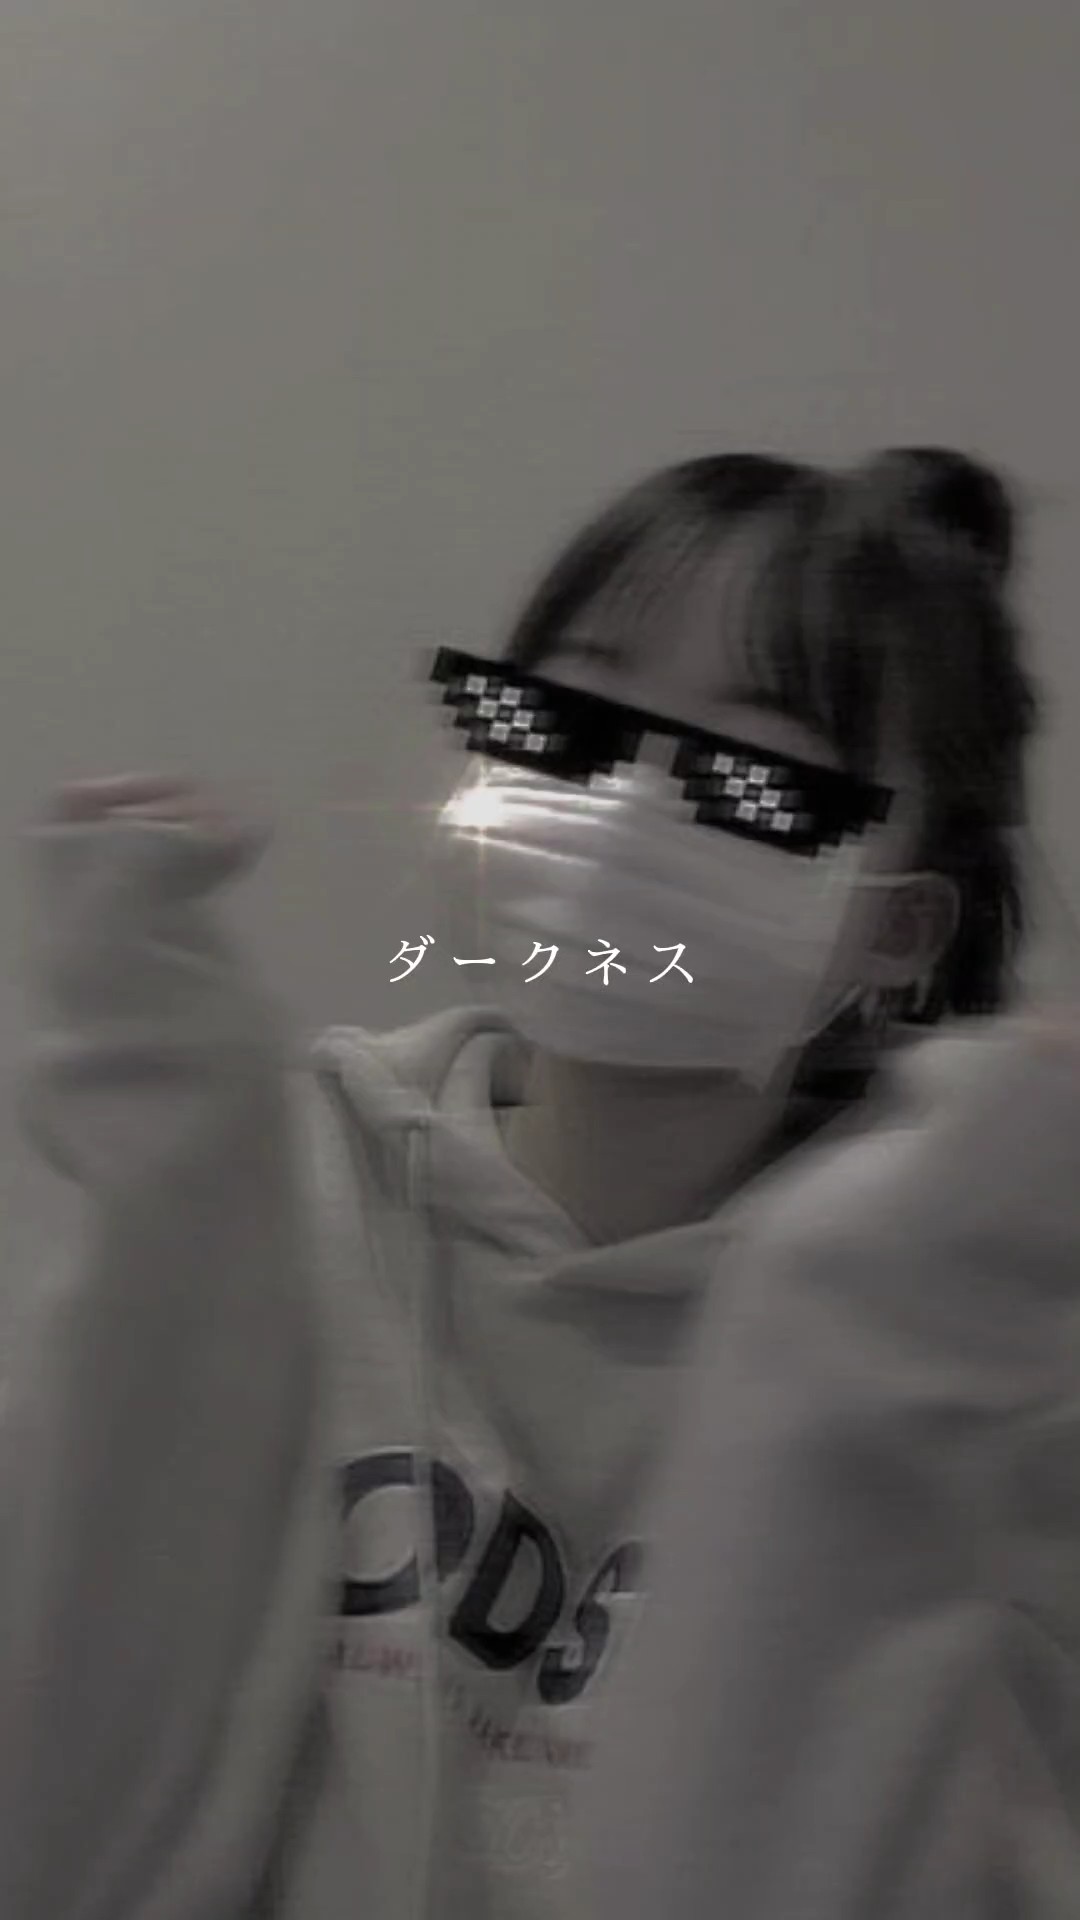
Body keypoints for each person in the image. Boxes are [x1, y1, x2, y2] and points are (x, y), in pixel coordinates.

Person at [0, 446, 1047, 1920]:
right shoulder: (278, 1196)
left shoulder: (951, 1365)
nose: (624, 804)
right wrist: (162, 1164)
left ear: (902, 930)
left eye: (752, 779)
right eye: (560, 719)